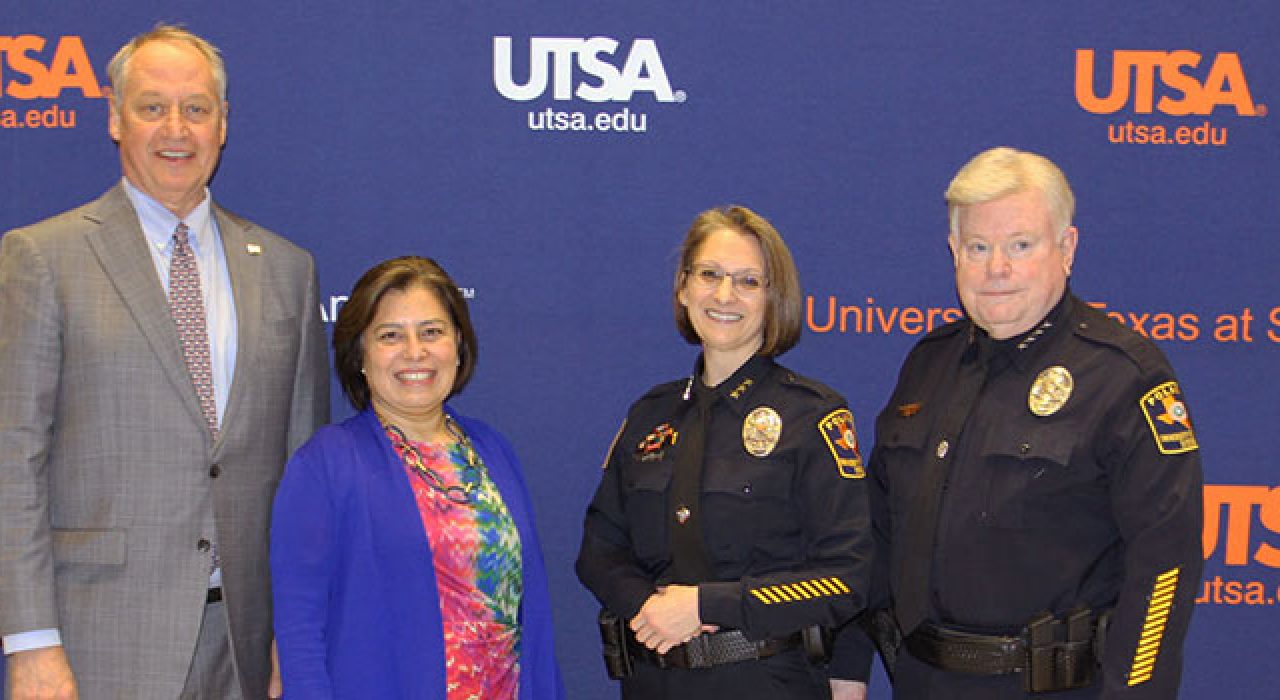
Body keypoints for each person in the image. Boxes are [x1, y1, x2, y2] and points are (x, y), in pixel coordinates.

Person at [0, 24, 329, 699]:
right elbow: (14, 459)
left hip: (241, 639)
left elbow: (303, 478)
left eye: (197, 108)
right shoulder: (43, 258)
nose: (176, 128)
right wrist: (31, 643)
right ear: (116, 119)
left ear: (223, 123)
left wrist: (289, 639)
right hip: (97, 637)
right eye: (152, 107)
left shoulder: (287, 269)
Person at [829, 147, 1204, 699]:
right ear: (954, 251)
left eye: (1020, 245)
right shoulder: (929, 364)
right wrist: (848, 664)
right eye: (978, 247)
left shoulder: (1123, 376)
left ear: (1067, 249)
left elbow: (1164, 565)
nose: (996, 268)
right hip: (923, 681)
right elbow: (877, 530)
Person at [576, 205, 872, 699]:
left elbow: (848, 578)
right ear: (683, 286)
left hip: (765, 680)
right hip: (654, 681)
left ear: (773, 298)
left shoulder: (812, 416)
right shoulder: (651, 415)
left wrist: (708, 605)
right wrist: (647, 605)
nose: (724, 295)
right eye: (709, 274)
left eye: (749, 281)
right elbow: (599, 549)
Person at [270, 256, 564, 699]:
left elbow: (527, 616)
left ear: (458, 344)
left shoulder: (492, 450)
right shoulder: (326, 464)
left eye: (432, 332)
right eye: (390, 335)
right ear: (361, 355)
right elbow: (299, 628)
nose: (415, 351)